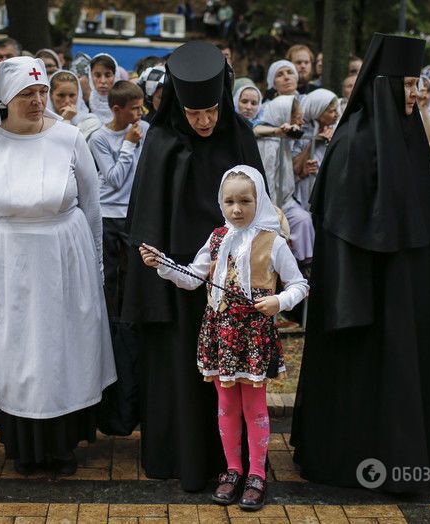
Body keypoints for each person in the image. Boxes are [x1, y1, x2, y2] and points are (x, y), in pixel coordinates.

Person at [290, 33, 430, 491]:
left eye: (420, 84)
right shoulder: (352, 145)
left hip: (406, 293)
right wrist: (350, 298)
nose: (417, 94)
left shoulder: (411, 137)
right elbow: (339, 232)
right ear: (384, 85)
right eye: (410, 84)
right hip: (359, 296)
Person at [0, 56, 117, 475]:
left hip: (65, 254)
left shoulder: (68, 138)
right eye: (26, 94)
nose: (36, 100)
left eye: (41, 92)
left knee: (61, 345)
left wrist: (97, 269)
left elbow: (93, 207)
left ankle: (62, 443)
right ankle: (24, 443)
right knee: (18, 349)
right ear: (5, 98)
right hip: (7, 260)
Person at [123, 41, 264, 492]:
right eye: (193, 113)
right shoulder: (161, 142)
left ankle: (237, 463)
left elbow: (261, 209)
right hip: (179, 282)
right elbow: (146, 216)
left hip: (232, 282)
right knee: (180, 370)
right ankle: (180, 457)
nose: (203, 121)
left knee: (229, 374)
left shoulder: (240, 135)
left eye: (211, 111)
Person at [140, 166, 308, 510]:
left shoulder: (272, 241)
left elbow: (300, 285)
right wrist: (163, 264)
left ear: (258, 199)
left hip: (253, 336)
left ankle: (257, 473)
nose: (236, 209)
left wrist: (279, 301)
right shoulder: (217, 237)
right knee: (226, 405)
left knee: (254, 407)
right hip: (220, 335)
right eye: (229, 201)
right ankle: (232, 470)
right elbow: (192, 278)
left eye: (245, 201)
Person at [88, 80, 148, 436]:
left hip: (135, 214)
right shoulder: (100, 138)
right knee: (111, 282)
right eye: (134, 108)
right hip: (109, 215)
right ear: (116, 109)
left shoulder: (142, 132)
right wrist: (127, 147)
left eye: (141, 108)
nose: (139, 115)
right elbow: (110, 179)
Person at [254, 95, 314, 265]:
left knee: (303, 220)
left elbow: (285, 177)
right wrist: (273, 212)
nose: (301, 122)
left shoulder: (284, 140)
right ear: (283, 116)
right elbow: (269, 180)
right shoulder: (269, 143)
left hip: (286, 202)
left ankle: (303, 266)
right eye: (296, 117)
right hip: (271, 204)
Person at [297, 88, 339, 206]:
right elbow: (296, 168)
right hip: (306, 190)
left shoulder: (337, 130)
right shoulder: (301, 132)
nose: (337, 114)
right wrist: (314, 142)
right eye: (331, 111)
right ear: (317, 112)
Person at [48, 70, 102, 141]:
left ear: (79, 95)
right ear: (51, 96)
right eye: (61, 95)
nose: (67, 101)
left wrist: (66, 120)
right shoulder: (41, 123)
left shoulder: (90, 122)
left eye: (72, 95)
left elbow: (71, 147)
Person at [88, 53, 118, 124]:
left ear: (116, 76)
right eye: (97, 75)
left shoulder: (124, 103)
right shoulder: (84, 105)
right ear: (90, 76)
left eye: (108, 75)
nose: (103, 81)